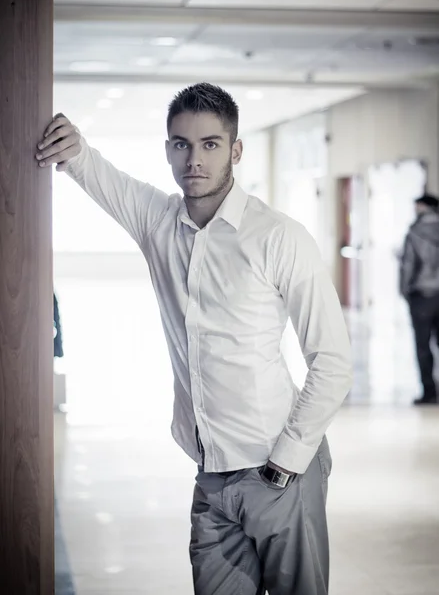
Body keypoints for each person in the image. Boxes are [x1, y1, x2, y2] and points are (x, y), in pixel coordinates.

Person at [35, 83, 353, 595]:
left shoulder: (278, 236)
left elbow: (333, 361)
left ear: (236, 150)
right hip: (211, 475)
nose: (194, 159)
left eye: (210, 144)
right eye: (181, 144)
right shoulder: (158, 222)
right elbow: (97, 172)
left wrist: (284, 464)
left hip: (280, 469)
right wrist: (71, 146)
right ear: (167, 150)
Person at [400, 192, 439, 405]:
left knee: (423, 346)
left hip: (422, 296)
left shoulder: (415, 232)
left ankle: (429, 392)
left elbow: (407, 266)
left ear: (424, 207)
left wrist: (405, 292)